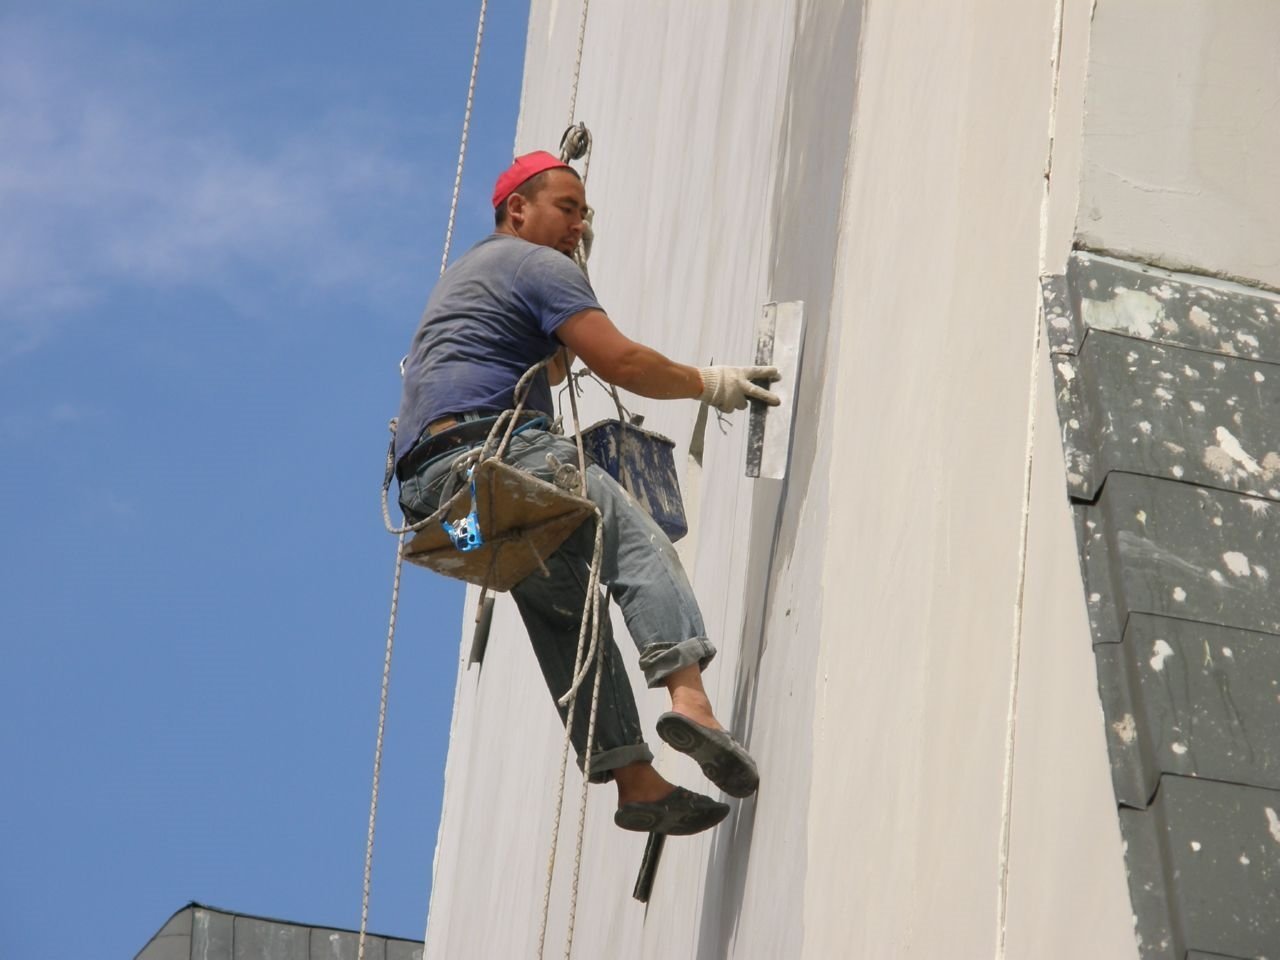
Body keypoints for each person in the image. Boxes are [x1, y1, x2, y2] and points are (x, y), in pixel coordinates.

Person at [395, 151, 780, 835]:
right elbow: (620, 363)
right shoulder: (535, 265)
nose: (578, 225)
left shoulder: (464, 282)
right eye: (566, 209)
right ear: (518, 209)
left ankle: (636, 784)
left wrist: (572, 283)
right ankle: (690, 701)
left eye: (584, 215)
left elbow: (551, 362)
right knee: (630, 540)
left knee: (562, 608)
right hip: (498, 456)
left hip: (446, 513)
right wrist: (709, 383)